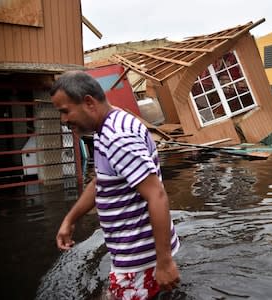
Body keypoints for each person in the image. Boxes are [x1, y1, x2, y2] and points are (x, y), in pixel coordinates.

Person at [51, 70, 180, 300]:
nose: (64, 120)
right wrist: (70, 220)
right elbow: (101, 181)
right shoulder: (107, 127)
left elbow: (157, 195)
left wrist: (164, 262)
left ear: (88, 103)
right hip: (135, 252)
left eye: (65, 111)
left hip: (138, 258)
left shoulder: (117, 138)